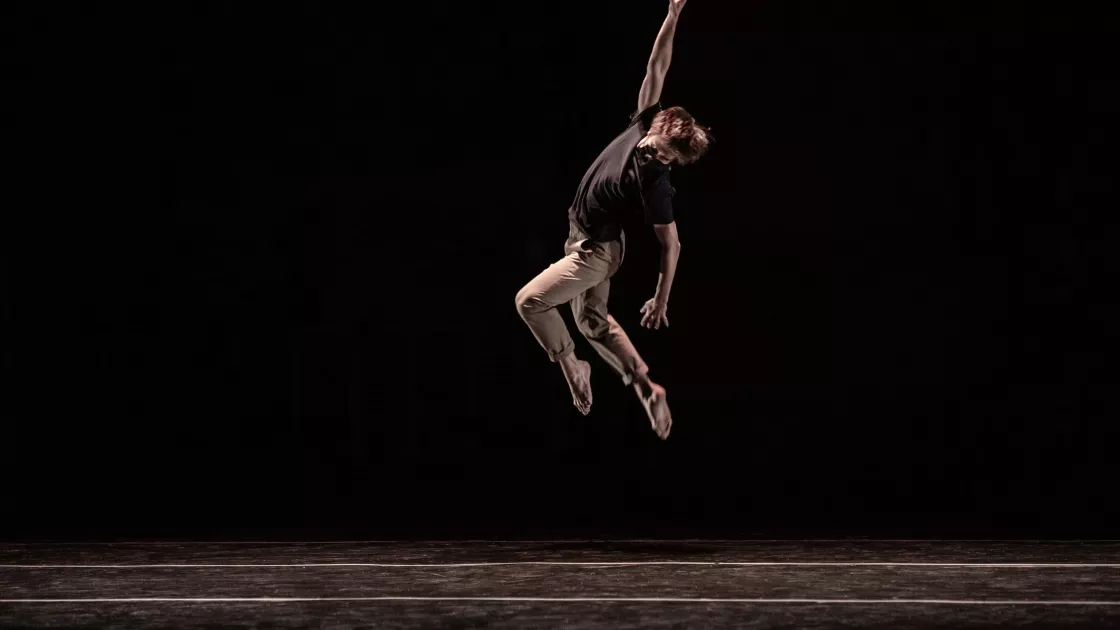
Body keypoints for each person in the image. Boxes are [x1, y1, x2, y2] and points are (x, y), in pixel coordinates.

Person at [515, 0, 710, 440]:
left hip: (595, 253)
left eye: (668, 160)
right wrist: (672, 17)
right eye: (660, 148)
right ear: (657, 123)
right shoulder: (644, 123)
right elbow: (656, 66)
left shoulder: (655, 181)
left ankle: (570, 362)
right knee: (593, 322)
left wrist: (661, 299)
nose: (658, 158)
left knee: (530, 302)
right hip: (585, 237)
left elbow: (671, 244)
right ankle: (647, 386)